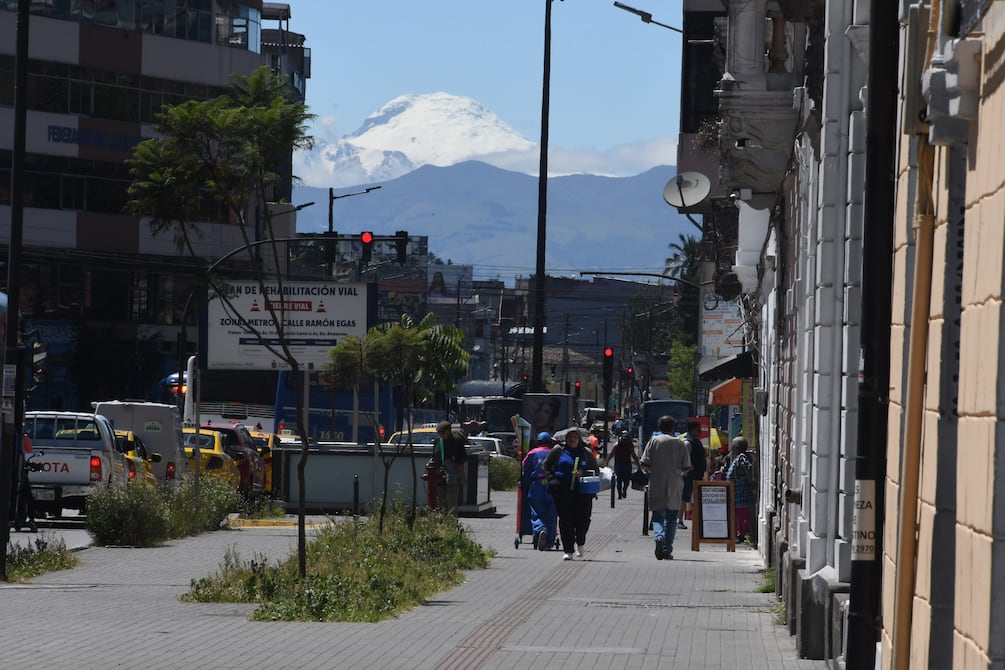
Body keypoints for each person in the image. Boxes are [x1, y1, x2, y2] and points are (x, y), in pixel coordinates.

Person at [543, 427, 600, 560]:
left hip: (583, 491)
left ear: (579, 439)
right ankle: (568, 550)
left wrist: (583, 473)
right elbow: (546, 466)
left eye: (575, 437)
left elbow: (595, 471)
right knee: (565, 521)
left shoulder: (585, 452)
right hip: (563, 490)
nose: (572, 439)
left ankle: (580, 542)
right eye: (570, 437)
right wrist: (551, 478)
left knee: (583, 520)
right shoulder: (558, 450)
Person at [640, 415, 691, 560]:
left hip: (657, 482)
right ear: (673, 427)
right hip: (674, 483)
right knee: (672, 518)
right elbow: (686, 467)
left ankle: (658, 537)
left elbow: (645, 463)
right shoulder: (680, 443)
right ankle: (667, 549)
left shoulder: (654, 441)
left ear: (660, 427)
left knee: (657, 517)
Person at [521, 432, 558, 551]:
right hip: (552, 485)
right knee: (552, 514)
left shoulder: (532, 453)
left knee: (537, 512)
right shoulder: (555, 453)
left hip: (536, 485)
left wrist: (525, 484)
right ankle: (549, 542)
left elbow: (525, 470)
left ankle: (541, 530)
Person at [434, 420, 468, 516]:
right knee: (440, 499)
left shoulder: (457, 441)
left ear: (448, 431)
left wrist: (458, 466)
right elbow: (435, 456)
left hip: (453, 474)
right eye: (439, 433)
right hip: (440, 474)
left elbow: (463, 457)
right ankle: (442, 519)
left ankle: (451, 521)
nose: (441, 435)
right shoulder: (438, 442)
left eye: (442, 433)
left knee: (451, 499)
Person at [678, 420, 707, 529]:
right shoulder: (687, 443)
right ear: (692, 430)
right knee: (684, 497)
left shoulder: (697, 442)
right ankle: (679, 519)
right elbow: (683, 459)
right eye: (698, 429)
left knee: (696, 497)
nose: (700, 431)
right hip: (688, 475)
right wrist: (688, 466)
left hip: (697, 475)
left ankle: (698, 520)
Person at [727, 435, 755, 542]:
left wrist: (750, 481)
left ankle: (742, 534)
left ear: (737, 447)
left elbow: (748, 469)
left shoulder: (742, 458)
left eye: (733, 446)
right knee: (739, 514)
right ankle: (740, 533)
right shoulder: (737, 458)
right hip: (737, 492)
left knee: (742, 515)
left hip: (741, 492)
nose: (731, 448)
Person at [607, 431, 640, 499]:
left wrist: (607, 462)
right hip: (627, 464)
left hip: (619, 464)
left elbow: (611, 454)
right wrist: (638, 464)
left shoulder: (617, 444)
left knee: (619, 480)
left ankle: (620, 494)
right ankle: (624, 490)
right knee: (626, 480)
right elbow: (633, 455)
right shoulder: (629, 445)